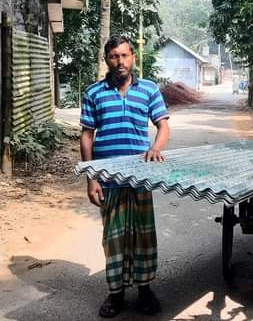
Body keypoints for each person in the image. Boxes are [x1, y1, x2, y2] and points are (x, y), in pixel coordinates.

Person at [80, 35, 170, 318]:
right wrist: (91, 177)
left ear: (133, 58)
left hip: (141, 177)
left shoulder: (149, 90)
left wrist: (155, 148)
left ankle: (144, 290)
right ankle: (116, 293)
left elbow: (163, 125)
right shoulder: (93, 92)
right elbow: (86, 136)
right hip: (108, 178)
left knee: (143, 235)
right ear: (107, 60)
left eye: (125, 55)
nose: (120, 62)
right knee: (114, 237)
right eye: (114, 56)